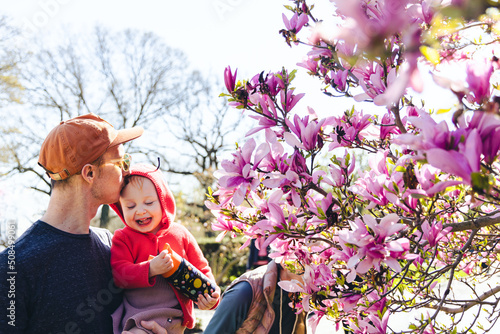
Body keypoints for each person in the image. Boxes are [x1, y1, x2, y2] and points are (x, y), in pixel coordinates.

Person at [0, 113, 168, 334]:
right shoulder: (12, 271)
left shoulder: (113, 245)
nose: (127, 171)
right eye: (122, 162)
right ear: (89, 172)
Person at [109, 163, 220, 334]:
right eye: (130, 206)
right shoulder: (123, 238)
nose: (140, 211)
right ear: (121, 208)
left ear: (163, 201)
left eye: (149, 202)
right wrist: (150, 269)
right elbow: (119, 275)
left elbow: (202, 268)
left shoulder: (180, 233)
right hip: (140, 317)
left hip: (175, 318)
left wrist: (211, 297)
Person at [204, 258, 307, 334]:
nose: (317, 268)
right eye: (308, 260)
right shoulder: (245, 292)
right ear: (285, 261)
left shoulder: (303, 294)